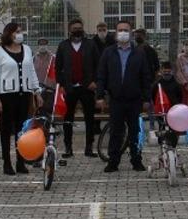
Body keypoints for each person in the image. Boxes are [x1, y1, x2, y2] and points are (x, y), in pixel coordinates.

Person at [96, 19, 151, 173]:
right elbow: (101, 75)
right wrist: (100, 96)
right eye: (120, 30)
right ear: (115, 34)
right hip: (116, 99)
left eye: (126, 30)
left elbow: (146, 77)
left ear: (131, 33)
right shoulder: (108, 52)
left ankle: (136, 160)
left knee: (135, 132)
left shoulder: (139, 53)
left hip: (134, 100)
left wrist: (147, 98)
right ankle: (113, 162)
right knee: (115, 132)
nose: (123, 33)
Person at [0, 22, 40, 175]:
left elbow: (31, 71)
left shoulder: (27, 49)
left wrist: (36, 91)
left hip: (24, 94)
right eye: (17, 31)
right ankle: (7, 163)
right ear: (9, 33)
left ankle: (20, 162)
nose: (20, 34)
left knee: (21, 129)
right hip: (6, 95)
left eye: (20, 31)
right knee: (6, 130)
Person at [55, 19, 101, 158]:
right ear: (70, 30)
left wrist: (95, 82)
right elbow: (58, 67)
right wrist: (61, 85)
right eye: (75, 28)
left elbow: (98, 65)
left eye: (80, 28)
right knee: (68, 119)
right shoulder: (63, 45)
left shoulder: (90, 44)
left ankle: (89, 148)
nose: (77, 30)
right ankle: (68, 148)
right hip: (69, 88)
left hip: (87, 87)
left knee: (89, 119)